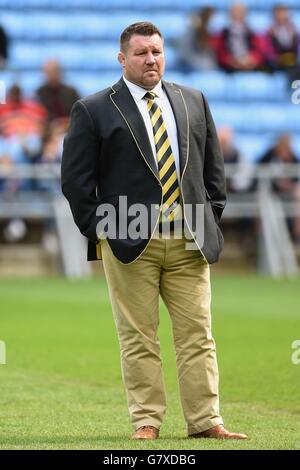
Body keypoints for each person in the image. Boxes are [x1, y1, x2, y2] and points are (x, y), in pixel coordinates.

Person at [61, 22, 247, 441]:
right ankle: (147, 421)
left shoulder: (193, 100)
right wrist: (103, 230)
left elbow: (213, 170)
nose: (151, 59)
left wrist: (210, 218)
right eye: (142, 52)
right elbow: (75, 182)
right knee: (138, 337)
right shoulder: (93, 109)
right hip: (129, 242)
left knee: (199, 335)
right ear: (122, 58)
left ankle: (206, 422)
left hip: (189, 241)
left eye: (157, 51)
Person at [216, 3, 265, 72]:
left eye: (240, 12)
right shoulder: (223, 33)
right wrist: (231, 60)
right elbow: (220, 52)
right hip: (229, 68)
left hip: (250, 66)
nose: (237, 15)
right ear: (230, 14)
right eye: (235, 12)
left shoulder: (252, 32)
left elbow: (258, 51)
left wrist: (250, 60)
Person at [36, 59, 80, 123]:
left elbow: (79, 112)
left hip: (69, 125)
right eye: (49, 72)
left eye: (54, 71)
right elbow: (39, 117)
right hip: (49, 129)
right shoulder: (39, 93)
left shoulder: (71, 92)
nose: (52, 75)